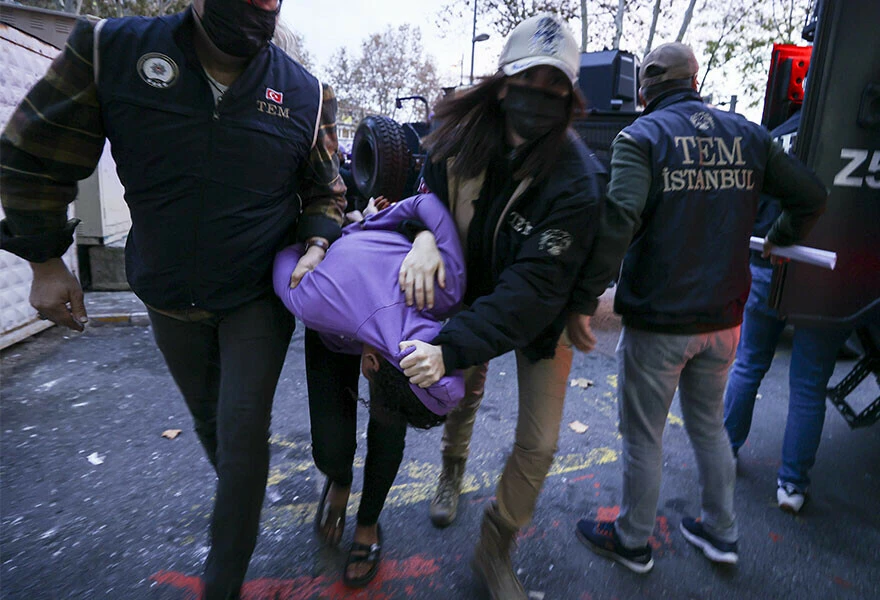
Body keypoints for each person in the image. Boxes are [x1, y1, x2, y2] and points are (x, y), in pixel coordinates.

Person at [0, 2, 347, 598]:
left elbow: (325, 187)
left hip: (254, 295)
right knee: (211, 422)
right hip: (164, 291)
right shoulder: (111, 50)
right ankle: (240, 489)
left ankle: (224, 579)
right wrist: (46, 261)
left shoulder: (306, 93)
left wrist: (317, 238)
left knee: (242, 433)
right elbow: (34, 151)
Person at [573, 42, 827, 573]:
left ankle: (633, 541)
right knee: (708, 426)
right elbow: (809, 194)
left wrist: (583, 297)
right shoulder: (748, 135)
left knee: (644, 434)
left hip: (660, 322)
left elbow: (619, 219)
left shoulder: (640, 137)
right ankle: (721, 532)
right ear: (695, 78)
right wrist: (779, 238)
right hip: (725, 319)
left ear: (645, 89)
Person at [396, 15, 606, 599]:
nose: (540, 97)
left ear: (570, 95)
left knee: (539, 441)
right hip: (468, 296)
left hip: (541, 313)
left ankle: (495, 546)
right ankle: (452, 471)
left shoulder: (576, 181)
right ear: (502, 83)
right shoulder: (455, 139)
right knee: (463, 396)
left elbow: (531, 294)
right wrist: (423, 238)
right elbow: (425, 202)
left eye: (555, 86)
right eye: (528, 80)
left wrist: (447, 346)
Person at [272, 192, 466, 587]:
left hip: (362, 319)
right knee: (330, 446)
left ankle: (368, 523)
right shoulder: (315, 300)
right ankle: (339, 479)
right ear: (372, 366)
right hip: (333, 326)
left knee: (388, 434)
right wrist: (322, 246)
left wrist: (425, 237)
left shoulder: (451, 287)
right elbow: (285, 262)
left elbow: (428, 207)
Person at [722, 109, 852, 514]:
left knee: (748, 364)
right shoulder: (850, 138)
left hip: (766, 264)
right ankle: (792, 485)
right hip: (824, 276)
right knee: (809, 386)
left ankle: (725, 452)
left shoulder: (773, 137)